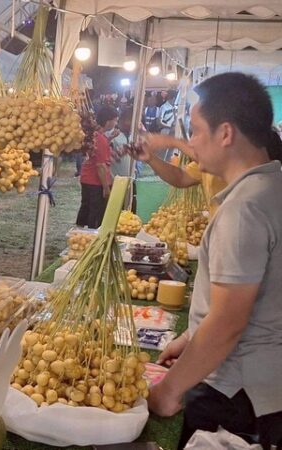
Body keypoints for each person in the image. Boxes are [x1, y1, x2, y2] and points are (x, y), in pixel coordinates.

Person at [148, 72, 282, 449]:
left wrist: (168, 390)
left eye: (194, 130)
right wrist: (191, 335)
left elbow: (227, 322)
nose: (190, 143)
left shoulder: (244, 209)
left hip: (238, 393)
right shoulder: (272, 187)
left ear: (225, 134)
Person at [135, 133, 228, 217]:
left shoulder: (227, 161)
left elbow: (213, 163)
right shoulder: (203, 166)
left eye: (197, 130)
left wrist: (175, 142)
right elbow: (181, 177)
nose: (191, 141)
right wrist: (150, 159)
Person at [76, 105, 117, 229]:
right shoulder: (101, 139)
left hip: (86, 178)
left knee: (85, 208)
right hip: (95, 182)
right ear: (108, 121)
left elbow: (97, 152)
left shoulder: (94, 135)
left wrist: (110, 138)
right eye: (115, 120)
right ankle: (91, 234)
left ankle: (79, 231)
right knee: (95, 212)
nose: (116, 123)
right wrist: (106, 187)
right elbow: (100, 166)